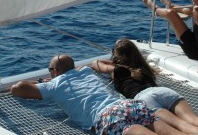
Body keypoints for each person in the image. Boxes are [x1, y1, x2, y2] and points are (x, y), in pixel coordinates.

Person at [11, 54, 185, 134]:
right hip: (128, 105)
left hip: (108, 116)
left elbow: (17, 88)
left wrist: (43, 82)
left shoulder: (54, 85)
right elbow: (92, 65)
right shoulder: (85, 71)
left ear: (55, 71)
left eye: (50, 70)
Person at [92, 38, 198, 134]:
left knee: (180, 126)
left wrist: (112, 63)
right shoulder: (143, 67)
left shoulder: (117, 69)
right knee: (194, 121)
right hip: (163, 91)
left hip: (144, 100)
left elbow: (96, 64)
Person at [142, 0, 198, 73]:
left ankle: (154, 7)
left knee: (170, 13)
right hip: (197, 42)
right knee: (180, 10)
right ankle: (166, 7)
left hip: (197, 52)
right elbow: (185, 10)